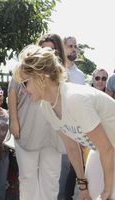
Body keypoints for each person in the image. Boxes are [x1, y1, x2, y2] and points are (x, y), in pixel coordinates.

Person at [13, 44, 115, 200]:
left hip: (107, 149)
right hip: (102, 150)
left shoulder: (74, 99)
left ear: (42, 76)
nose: (23, 89)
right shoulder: (46, 106)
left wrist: (107, 190)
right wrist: (83, 188)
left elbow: (107, 148)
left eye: (25, 82)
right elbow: (72, 148)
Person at [8, 33, 66, 200]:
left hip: (53, 133)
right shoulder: (22, 69)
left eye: (52, 50)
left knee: (51, 178)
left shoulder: (61, 73)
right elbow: (12, 93)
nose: (48, 52)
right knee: (27, 178)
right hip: (27, 129)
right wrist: (14, 121)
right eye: (44, 48)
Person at [59, 36, 85, 200]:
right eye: (70, 45)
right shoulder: (55, 69)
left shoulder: (80, 75)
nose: (74, 48)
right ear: (62, 47)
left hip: (74, 129)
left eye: (75, 46)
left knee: (71, 169)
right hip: (56, 127)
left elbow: (81, 104)